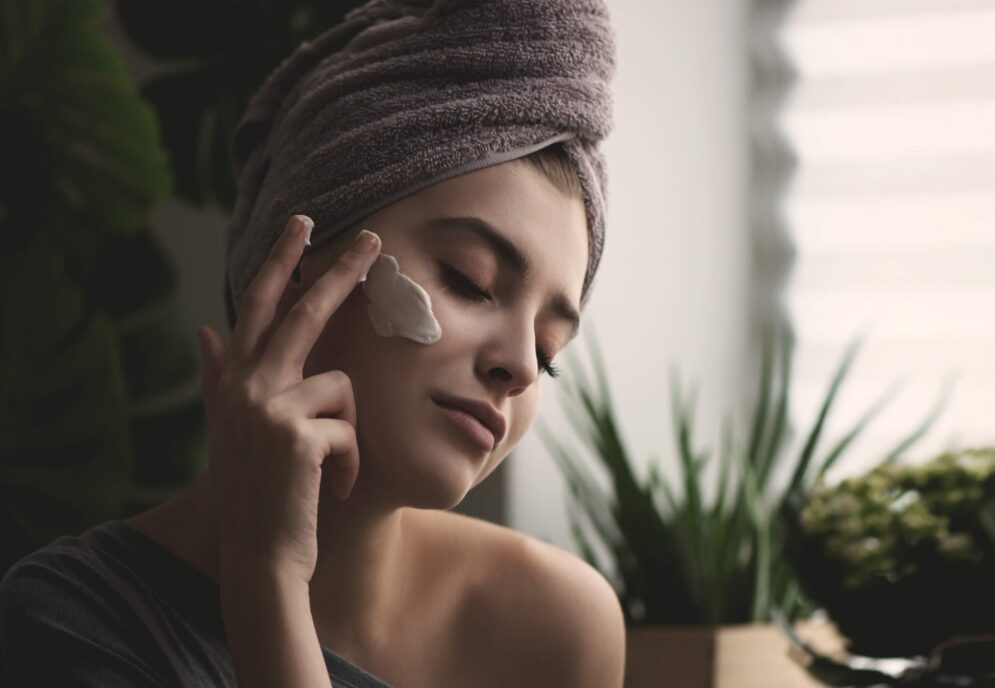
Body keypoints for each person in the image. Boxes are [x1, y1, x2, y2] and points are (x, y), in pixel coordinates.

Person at [0, 0, 624, 686]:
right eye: (468, 280)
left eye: (548, 352)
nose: (518, 369)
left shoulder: (553, 627)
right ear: (294, 270)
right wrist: (266, 577)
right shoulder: (69, 620)